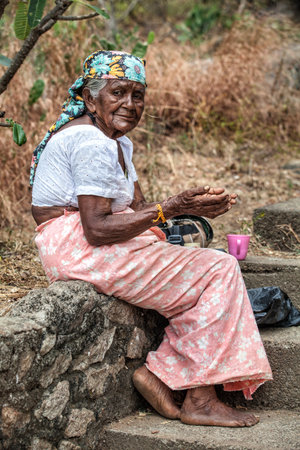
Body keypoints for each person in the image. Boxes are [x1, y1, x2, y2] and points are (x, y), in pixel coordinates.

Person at [30, 50, 272, 427]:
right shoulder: (91, 142)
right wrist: (173, 206)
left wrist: (191, 210)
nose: (130, 104)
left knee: (204, 266)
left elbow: (139, 208)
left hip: (88, 242)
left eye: (137, 95)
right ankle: (197, 397)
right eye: (118, 93)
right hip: (77, 246)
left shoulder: (117, 143)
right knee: (218, 269)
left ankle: (160, 376)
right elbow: (97, 229)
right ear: (91, 99)